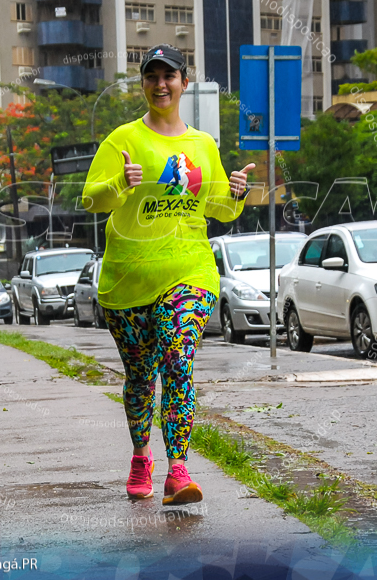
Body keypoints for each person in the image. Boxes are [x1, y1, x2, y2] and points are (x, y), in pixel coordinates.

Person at [83, 45, 254, 505]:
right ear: (143, 84)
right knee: (140, 377)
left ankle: (178, 470)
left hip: (190, 270)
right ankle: (143, 455)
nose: (161, 84)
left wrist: (237, 193)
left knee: (178, 359)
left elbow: (218, 208)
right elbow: (90, 201)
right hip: (128, 281)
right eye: (152, 76)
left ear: (184, 81)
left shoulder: (202, 145)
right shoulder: (122, 140)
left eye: (170, 76)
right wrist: (120, 183)